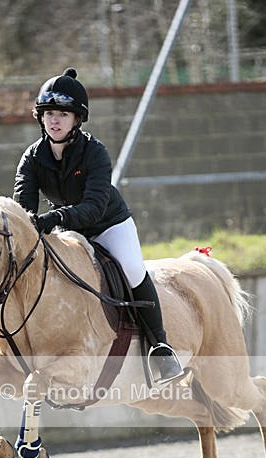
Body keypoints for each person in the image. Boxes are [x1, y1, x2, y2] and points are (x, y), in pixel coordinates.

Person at [13, 67, 185, 384]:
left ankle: (161, 348)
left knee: (132, 268)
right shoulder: (32, 157)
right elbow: (24, 207)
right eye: (49, 113)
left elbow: (92, 208)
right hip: (68, 231)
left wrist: (54, 218)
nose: (54, 120)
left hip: (108, 224)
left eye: (63, 114)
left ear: (77, 119)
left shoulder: (95, 152)